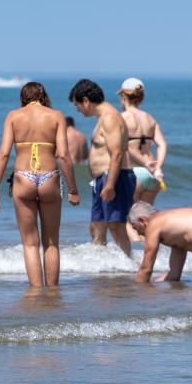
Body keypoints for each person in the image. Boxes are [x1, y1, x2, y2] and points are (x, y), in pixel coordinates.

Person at [0, 82, 80, 286]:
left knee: (31, 244)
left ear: (23, 97)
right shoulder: (56, 115)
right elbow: (64, 156)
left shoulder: (13, 116)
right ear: (44, 96)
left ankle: (35, 293)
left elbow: (4, 153)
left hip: (23, 177)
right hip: (49, 177)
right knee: (51, 243)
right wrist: (73, 190)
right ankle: (52, 293)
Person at [69, 78, 136, 257]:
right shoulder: (103, 118)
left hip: (114, 177)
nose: (78, 110)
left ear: (86, 100)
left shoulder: (110, 118)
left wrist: (110, 185)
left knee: (116, 226)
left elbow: (117, 154)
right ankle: (103, 267)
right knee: (96, 226)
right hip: (102, 178)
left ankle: (128, 267)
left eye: (78, 105)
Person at [118, 78, 168, 205]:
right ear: (141, 98)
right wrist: (157, 166)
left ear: (123, 96)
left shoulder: (121, 118)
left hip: (132, 172)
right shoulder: (150, 118)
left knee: (128, 220)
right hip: (152, 175)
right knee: (144, 220)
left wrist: (146, 163)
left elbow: (125, 146)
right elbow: (162, 144)